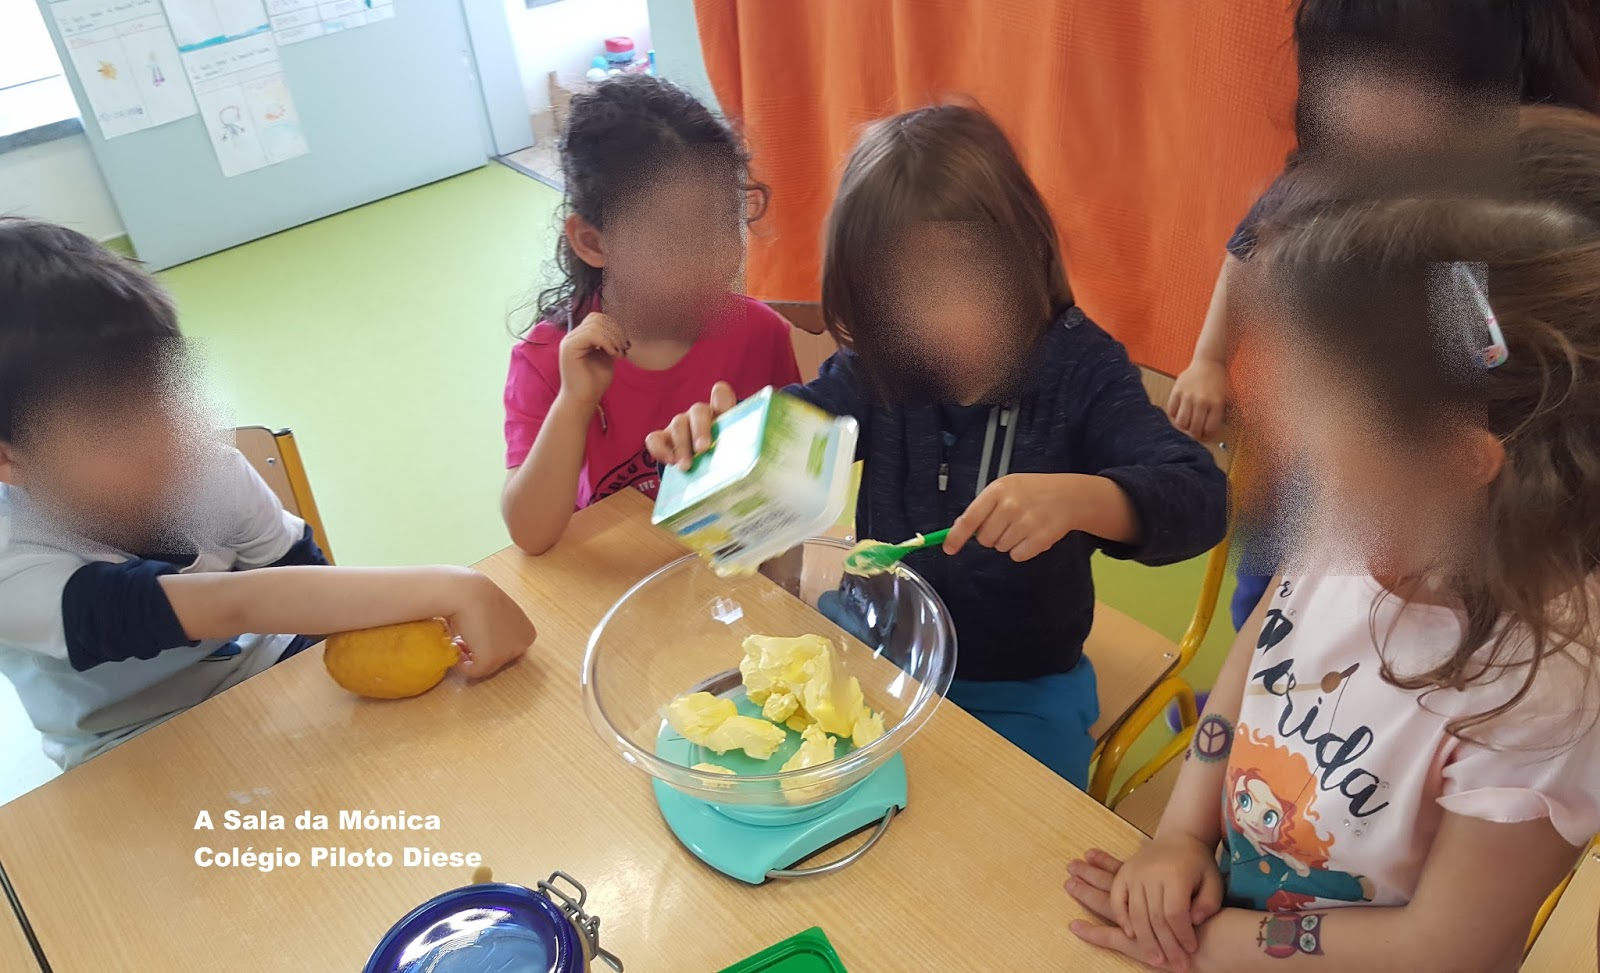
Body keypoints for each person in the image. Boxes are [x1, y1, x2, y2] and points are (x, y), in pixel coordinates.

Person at [1066, 106, 1600, 973]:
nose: (1281, 429)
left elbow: (1447, 946)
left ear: (1455, 460)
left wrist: (1199, 945)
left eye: (1314, 406)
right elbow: (1255, 657)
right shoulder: (1360, 511)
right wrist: (1181, 833)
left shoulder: (1549, 685)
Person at [645, 104, 1228, 788]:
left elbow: (1200, 496)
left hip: (1018, 683)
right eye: (894, 302)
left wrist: (1085, 498)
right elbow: (801, 427)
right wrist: (727, 445)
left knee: (1023, 825)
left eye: (956, 286)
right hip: (875, 641)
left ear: (1023, 259)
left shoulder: (1082, 371)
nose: (926, 326)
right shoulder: (882, 363)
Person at [0, 220, 535, 770]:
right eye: (109, 425)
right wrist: (454, 586)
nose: (166, 438)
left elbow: (305, 581)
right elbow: (220, 604)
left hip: (276, 674)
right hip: (129, 749)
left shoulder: (209, 471)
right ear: (9, 458)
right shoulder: (12, 563)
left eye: (164, 394)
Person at [1166, 0, 1600, 633]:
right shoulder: (1318, 185)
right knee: (1274, 598)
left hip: (1449, 491)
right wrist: (1209, 359)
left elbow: (1497, 369)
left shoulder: (1499, 232)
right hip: (1339, 463)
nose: (1351, 99)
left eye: (1396, 75)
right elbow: (1247, 256)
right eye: (1335, 69)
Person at [501, 74, 801, 555]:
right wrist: (575, 403)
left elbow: (789, 496)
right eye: (675, 240)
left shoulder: (760, 335)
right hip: (610, 578)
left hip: (723, 573)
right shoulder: (548, 359)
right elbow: (530, 535)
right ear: (593, 242)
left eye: (724, 222)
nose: (714, 260)